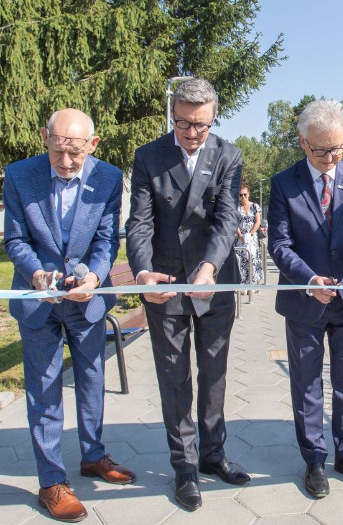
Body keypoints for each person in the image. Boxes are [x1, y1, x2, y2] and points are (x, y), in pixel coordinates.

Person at [3, 108, 135, 522]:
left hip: (87, 304)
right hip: (38, 303)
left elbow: (105, 239)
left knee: (92, 381)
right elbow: (15, 238)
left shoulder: (109, 178)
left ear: (92, 145)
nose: (65, 162)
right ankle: (51, 481)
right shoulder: (19, 175)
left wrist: (95, 278)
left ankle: (93, 455)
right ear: (45, 137)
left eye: (75, 153)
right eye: (57, 150)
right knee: (43, 392)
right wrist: (36, 273)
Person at [125, 78, 249, 512]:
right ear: (171, 115)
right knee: (174, 378)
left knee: (214, 376)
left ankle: (213, 454)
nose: (191, 133)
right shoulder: (148, 156)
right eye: (182, 123)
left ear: (213, 118)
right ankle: (184, 466)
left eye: (199, 125)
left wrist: (210, 268)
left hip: (212, 281)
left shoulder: (228, 155)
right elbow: (138, 222)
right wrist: (142, 272)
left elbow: (226, 216)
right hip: (164, 283)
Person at [267, 99, 343, 498]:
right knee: (307, 384)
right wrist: (309, 278)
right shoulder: (284, 184)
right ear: (303, 142)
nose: (331, 158)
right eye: (321, 151)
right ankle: (314, 460)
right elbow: (279, 244)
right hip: (305, 301)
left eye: (338, 148)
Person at [236, 184, 264, 287]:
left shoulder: (254, 206)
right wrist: (240, 235)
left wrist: (250, 234)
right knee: (241, 261)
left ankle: (252, 284)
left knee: (253, 260)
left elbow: (257, 222)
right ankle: (242, 285)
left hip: (252, 238)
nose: (243, 197)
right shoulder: (237, 208)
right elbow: (235, 223)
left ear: (248, 194)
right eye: (240, 195)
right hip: (241, 238)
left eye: (245, 194)